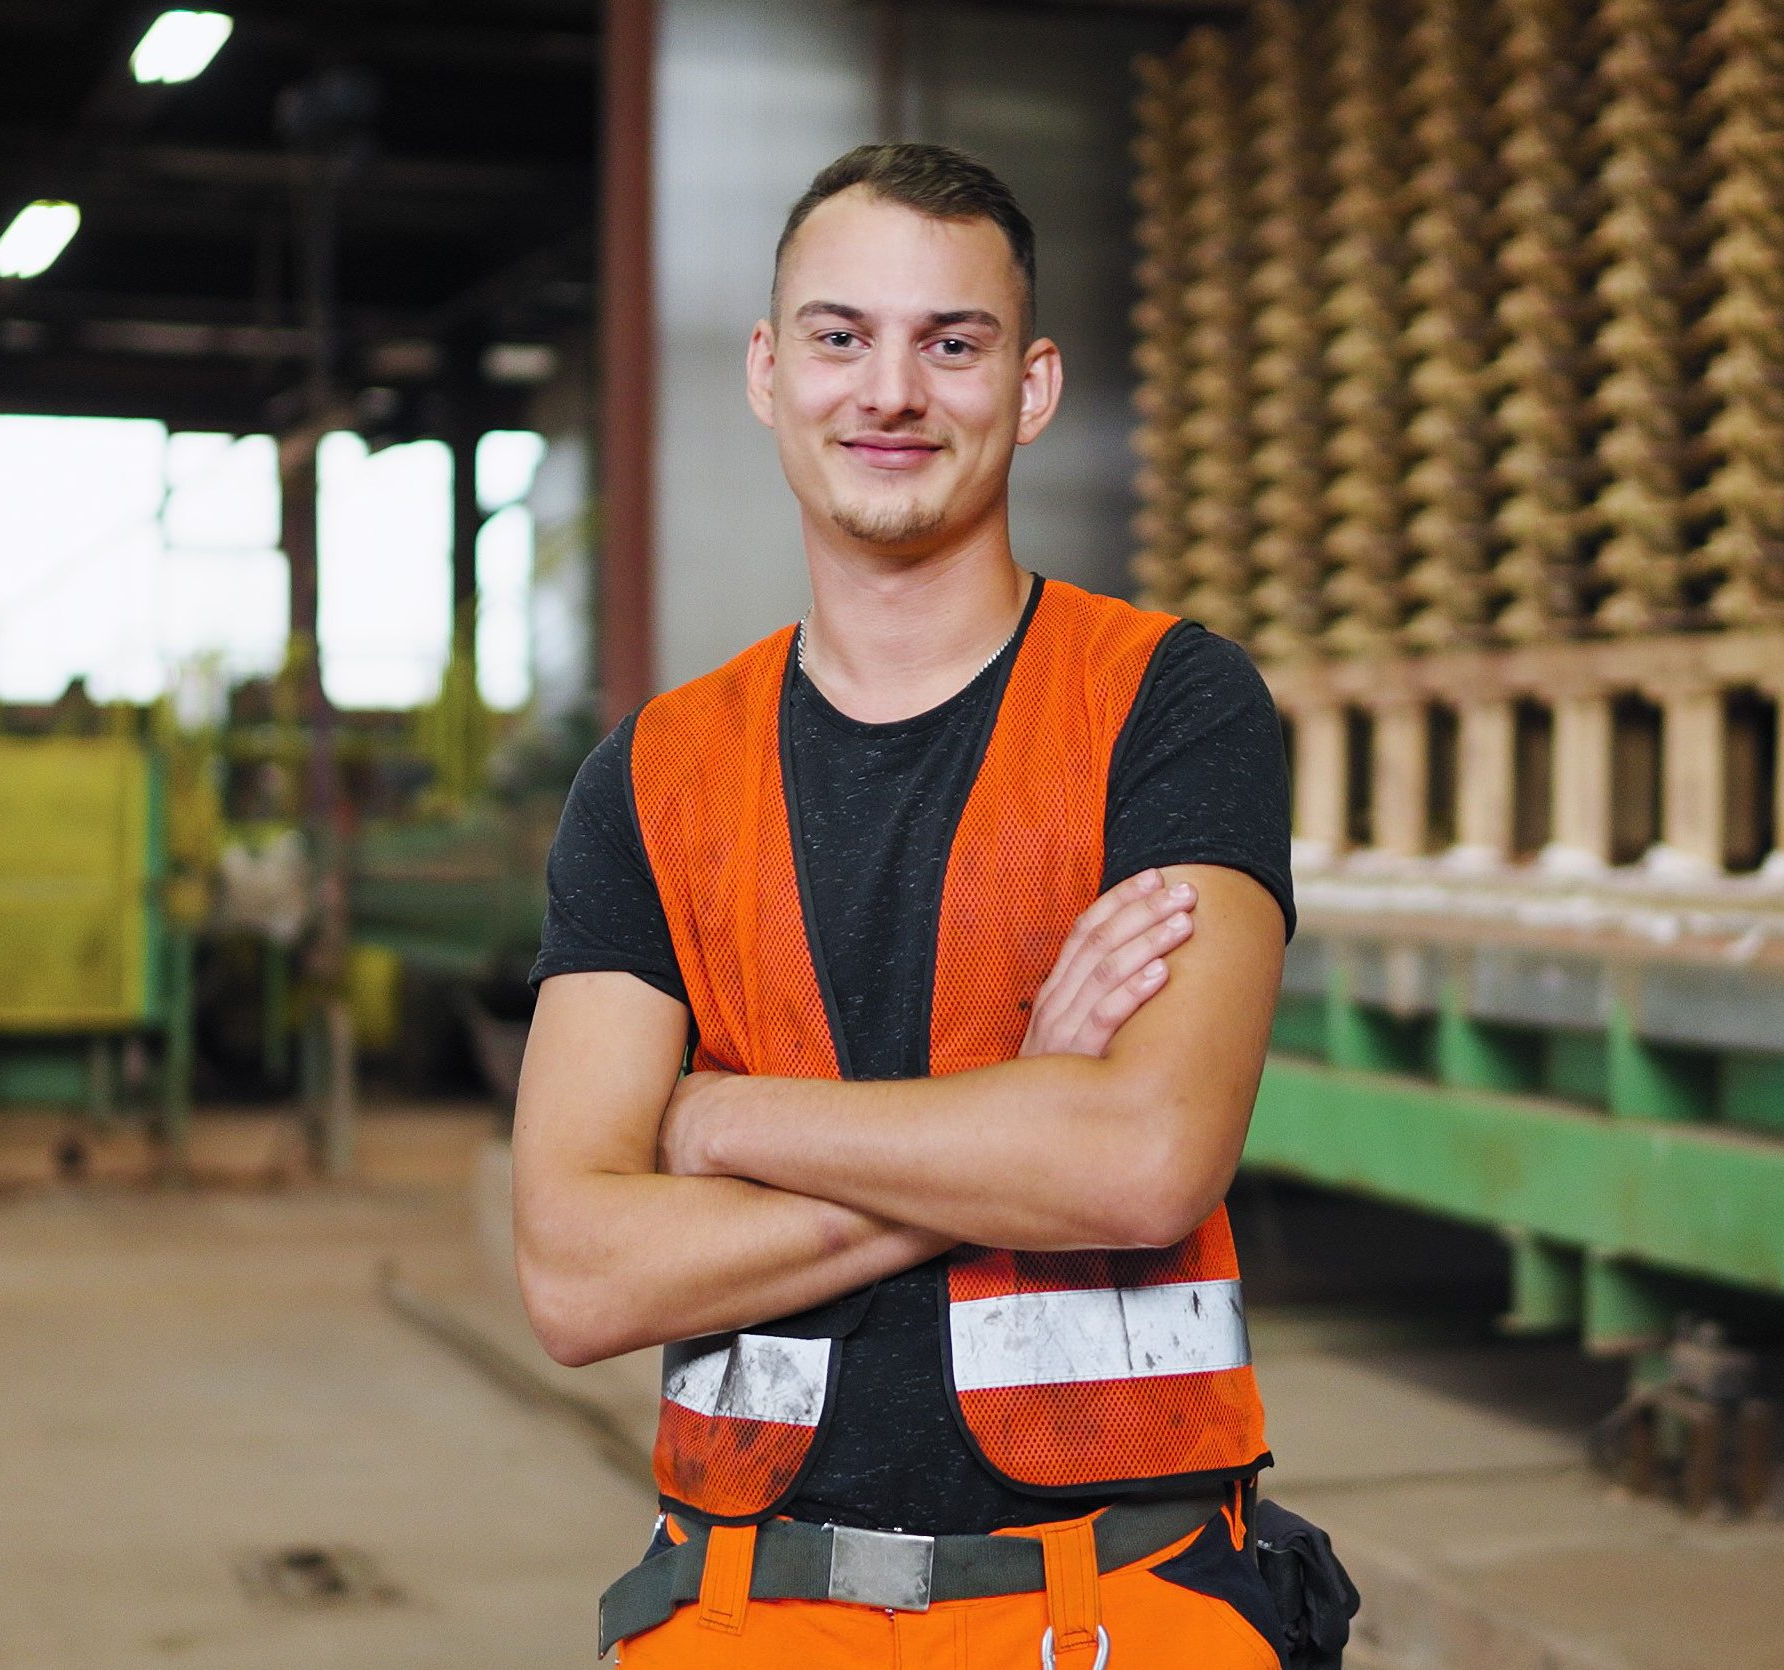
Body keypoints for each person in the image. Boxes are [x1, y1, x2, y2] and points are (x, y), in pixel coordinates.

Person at [515, 143, 1310, 1667]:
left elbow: (1142, 1160)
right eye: (838, 337)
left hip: (1118, 1607)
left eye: (951, 343)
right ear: (767, 371)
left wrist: (715, 1123)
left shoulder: (1164, 706)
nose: (889, 392)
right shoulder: (657, 776)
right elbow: (573, 1267)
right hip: (739, 1612)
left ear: (1032, 386)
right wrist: (1014, 1112)